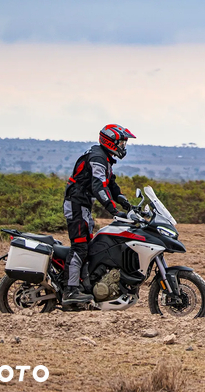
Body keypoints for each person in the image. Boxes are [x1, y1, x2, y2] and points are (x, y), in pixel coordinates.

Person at [61, 124, 136, 304]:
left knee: (91, 245)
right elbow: (99, 186)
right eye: (121, 143)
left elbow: (111, 185)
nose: (123, 147)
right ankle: (70, 291)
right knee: (80, 245)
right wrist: (114, 210)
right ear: (110, 141)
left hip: (83, 205)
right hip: (76, 204)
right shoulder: (97, 158)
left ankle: (86, 284)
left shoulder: (105, 158)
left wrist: (126, 203)